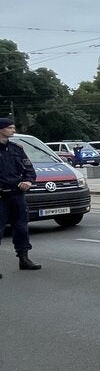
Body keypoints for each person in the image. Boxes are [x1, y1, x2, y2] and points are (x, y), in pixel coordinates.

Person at [0, 116, 41, 273]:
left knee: (22, 228)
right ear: (1, 129)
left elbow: (29, 170)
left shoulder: (17, 148)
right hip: (1, 196)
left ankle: (23, 258)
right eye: (10, 127)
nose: (13, 130)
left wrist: (28, 181)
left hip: (17, 195)